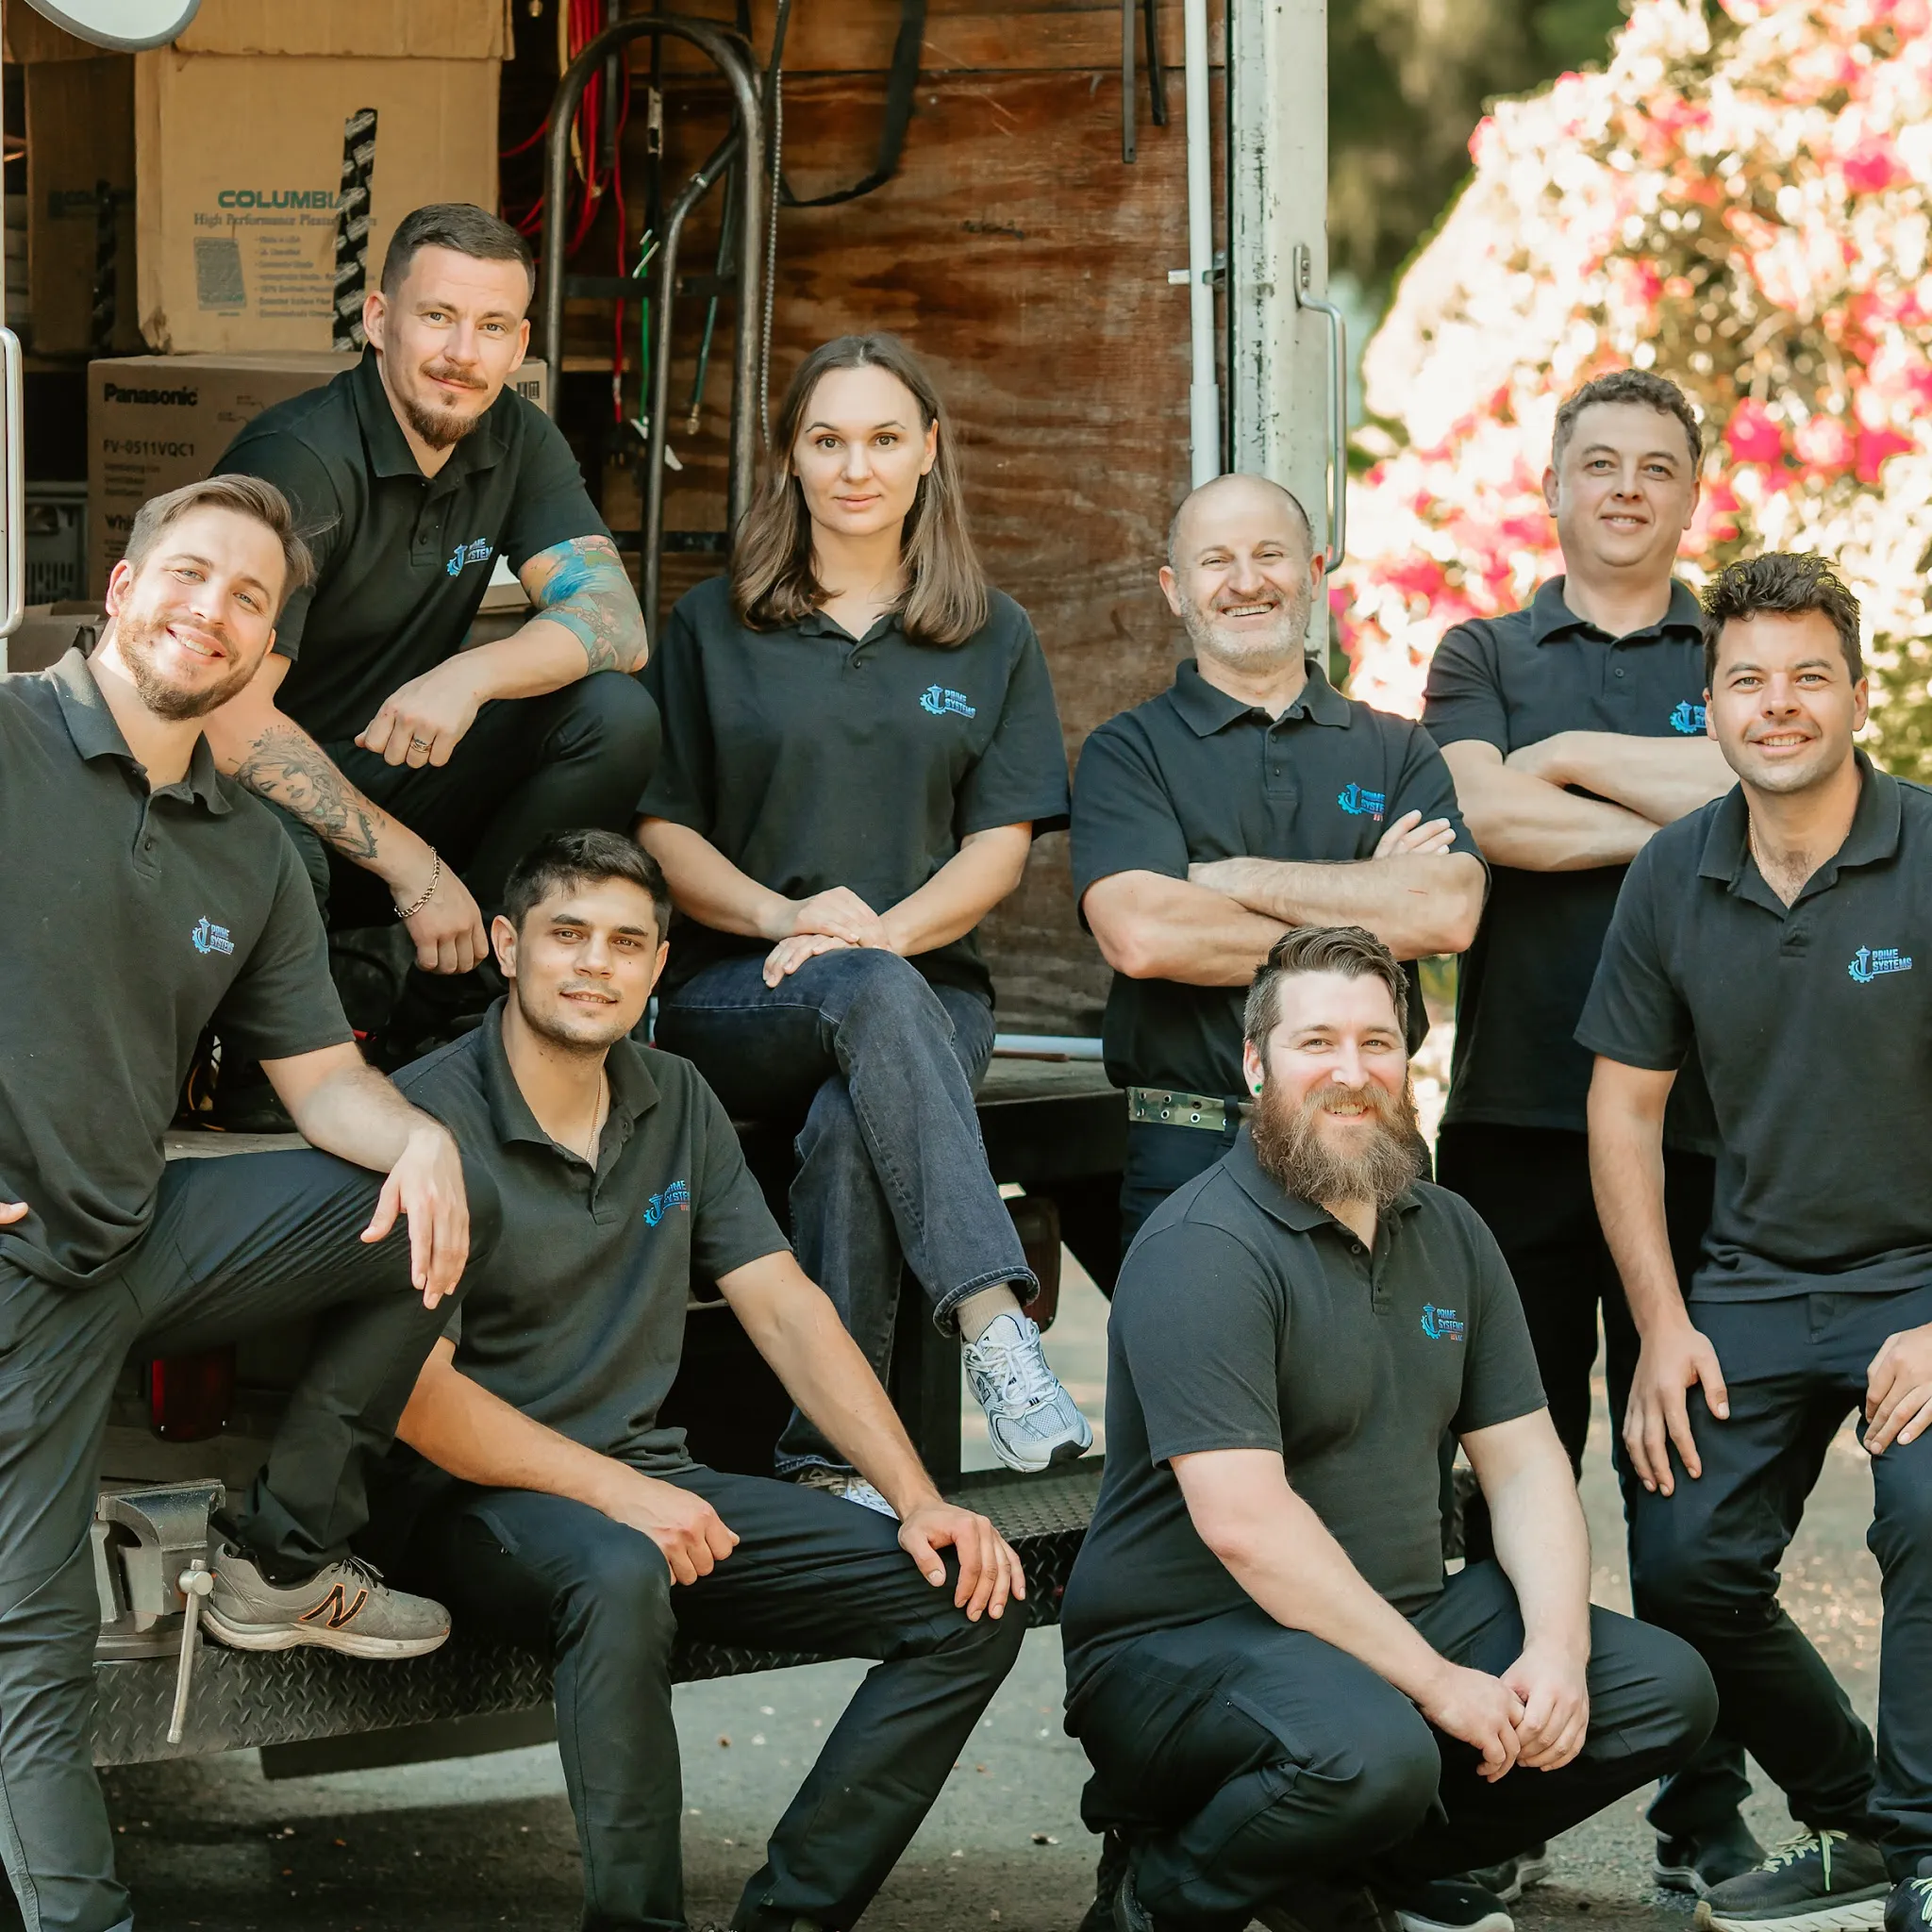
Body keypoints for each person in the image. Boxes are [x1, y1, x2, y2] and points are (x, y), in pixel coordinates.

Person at [364, 828, 1027, 1932]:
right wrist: (625, 1495)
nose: (595, 964)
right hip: (464, 1503)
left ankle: (789, 1916)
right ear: (506, 945)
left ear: (659, 966)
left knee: (964, 1601)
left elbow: (787, 1308)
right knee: (620, 1566)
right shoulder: (422, 1120)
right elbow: (416, 1397)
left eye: (625, 943)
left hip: (644, 1481)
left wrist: (915, 1498)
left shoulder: (675, 1095)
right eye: (567, 934)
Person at [0, 475, 501, 1932]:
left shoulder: (252, 848)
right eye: (188, 574)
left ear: (269, 653)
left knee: (430, 1215)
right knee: (33, 1639)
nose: (208, 611)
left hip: (135, 1235)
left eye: (248, 599)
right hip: (20, 1272)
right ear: (122, 587)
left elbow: (325, 1082)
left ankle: (278, 1560)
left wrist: (422, 1141)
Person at [1059, 926, 1716, 1932]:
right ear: (1255, 1064)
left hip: (1394, 1622)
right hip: (1179, 1652)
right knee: (1375, 1753)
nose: (1350, 1071)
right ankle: (1161, 1891)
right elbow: (1243, 1522)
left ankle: (1342, 1867)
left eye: (1376, 1042)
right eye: (1315, 1042)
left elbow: (1525, 1462)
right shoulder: (1202, 1246)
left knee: (1659, 1690)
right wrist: (1440, 1684)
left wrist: (1555, 1648)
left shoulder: (1448, 1229)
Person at [636, 332, 1090, 1496]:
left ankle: (830, 1465)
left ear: (928, 450)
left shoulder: (991, 632)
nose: (855, 467)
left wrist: (883, 939)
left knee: (851, 1125)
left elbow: (997, 849)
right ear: (789, 455)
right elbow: (664, 830)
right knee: (868, 1001)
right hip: (738, 992)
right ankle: (994, 1324)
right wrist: (781, 914)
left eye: (884, 439)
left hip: (930, 990)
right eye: (827, 439)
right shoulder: (713, 625)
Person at [1421, 368, 1748, 1899]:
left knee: (1692, 1490)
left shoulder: (1735, 644)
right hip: (1513, 1123)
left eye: (1655, 466)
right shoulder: (1482, 651)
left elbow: (1772, 770)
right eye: (1598, 462)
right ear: (1551, 484)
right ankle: (1502, 1802)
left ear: (1691, 492)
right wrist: (1694, 824)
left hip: (1704, 1130)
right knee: (1513, 1471)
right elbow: (1486, 821)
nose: (1624, 487)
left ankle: (1704, 1812)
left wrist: (1561, 767)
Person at [1579, 553, 1932, 1932]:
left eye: (1806, 676)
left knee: (1930, 1511)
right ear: (1711, 704)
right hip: (1751, 1278)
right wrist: (1661, 1326)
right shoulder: (1672, 873)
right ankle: (1860, 1816)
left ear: (1856, 693)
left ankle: (1924, 1850)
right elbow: (1623, 1109)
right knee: (1682, 1561)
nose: (1776, 704)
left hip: (1921, 1278)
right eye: (1746, 680)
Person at [204, 201, 658, 1100]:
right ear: (379, 320)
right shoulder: (301, 460)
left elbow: (616, 619)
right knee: (273, 833)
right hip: (261, 797)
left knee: (613, 717)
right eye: (438, 317)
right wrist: (414, 867)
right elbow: (227, 723)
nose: (461, 353)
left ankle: (451, 1019)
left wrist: (472, 674)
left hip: (397, 766)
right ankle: (273, 1063)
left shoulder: (515, 436)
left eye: (491, 327)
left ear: (518, 344)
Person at [1074, 473, 1486, 1258]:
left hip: (1369, 1139)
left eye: (1270, 554)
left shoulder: (1398, 749)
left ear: (1315, 570)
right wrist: (1373, 910)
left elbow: (1446, 912)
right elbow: (1145, 936)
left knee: (1386, 1347)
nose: (1246, 582)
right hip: (1190, 1149)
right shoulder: (1126, 752)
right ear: (1174, 589)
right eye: (1215, 561)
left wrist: (1226, 879)